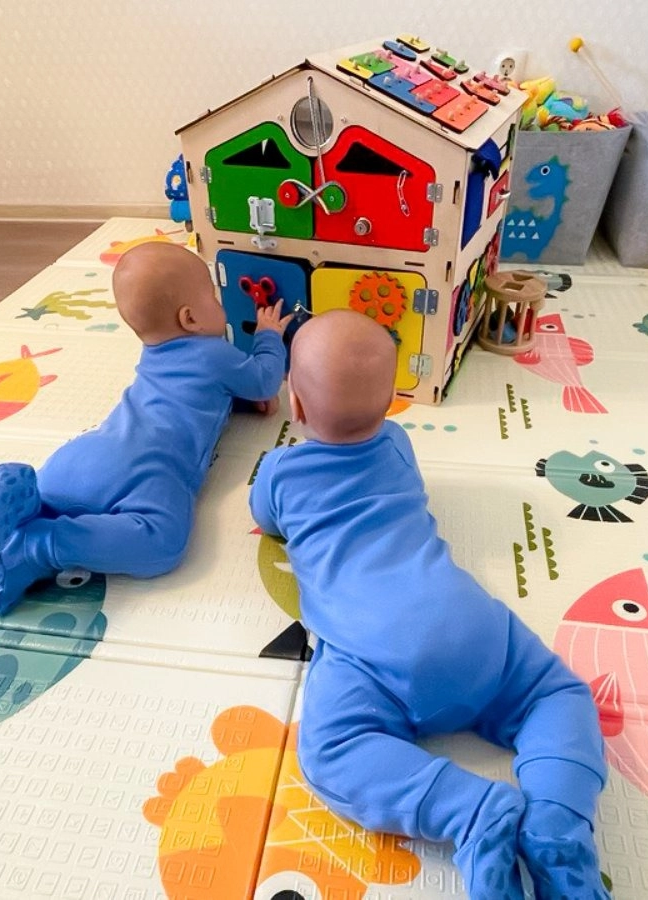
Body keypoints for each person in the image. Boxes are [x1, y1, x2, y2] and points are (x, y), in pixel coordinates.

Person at [249, 310, 608, 899]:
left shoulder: (280, 472)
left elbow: (266, 521)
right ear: (392, 400)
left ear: (297, 403)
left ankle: (470, 812)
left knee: (330, 753)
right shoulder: (398, 443)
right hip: (468, 625)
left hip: (373, 657)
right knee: (557, 695)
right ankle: (557, 820)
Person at [0, 242, 289, 613]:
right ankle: (43, 545)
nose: (220, 304)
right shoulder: (214, 353)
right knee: (162, 544)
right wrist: (268, 337)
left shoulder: (155, 353)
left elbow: (195, 393)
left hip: (82, 455)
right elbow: (264, 380)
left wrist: (238, 397)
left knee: (58, 503)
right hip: (150, 464)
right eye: (213, 296)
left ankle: (27, 503)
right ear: (190, 319)